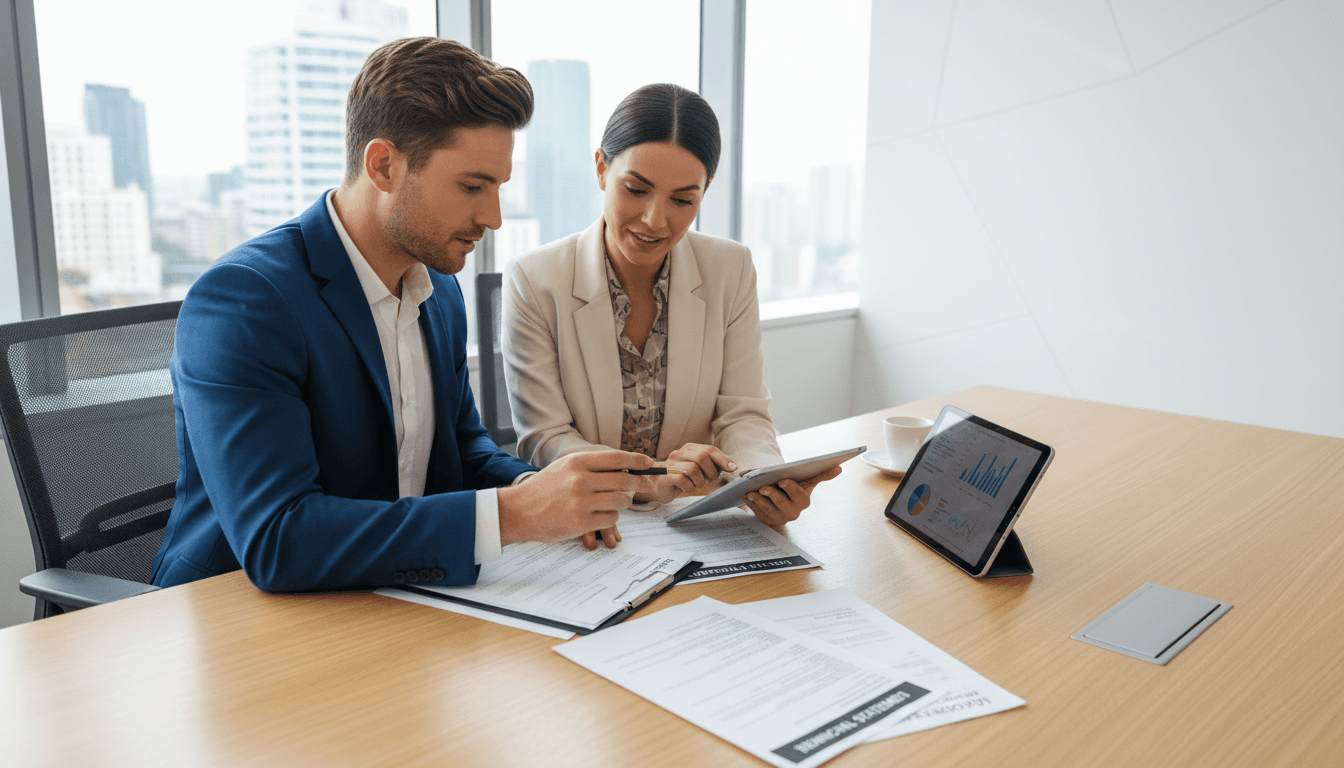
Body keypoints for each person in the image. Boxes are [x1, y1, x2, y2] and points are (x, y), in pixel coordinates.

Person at [150, 38, 657, 592]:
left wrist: (561, 491)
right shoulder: (246, 302)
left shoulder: (438, 289)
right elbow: (279, 539)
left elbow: (464, 451)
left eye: (498, 188)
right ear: (384, 165)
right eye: (471, 186)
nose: (493, 217)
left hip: (387, 594)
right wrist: (513, 514)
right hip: (235, 617)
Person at [502, 83, 839, 548]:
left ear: (705, 192)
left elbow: (742, 413)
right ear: (601, 169)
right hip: (593, 526)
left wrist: (763, 479)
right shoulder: (534, 278)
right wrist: (648, 479)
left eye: (683, 200)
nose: (655, 220)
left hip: (696, 526)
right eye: (636, 190)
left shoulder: (730, 267)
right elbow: (546, 438)